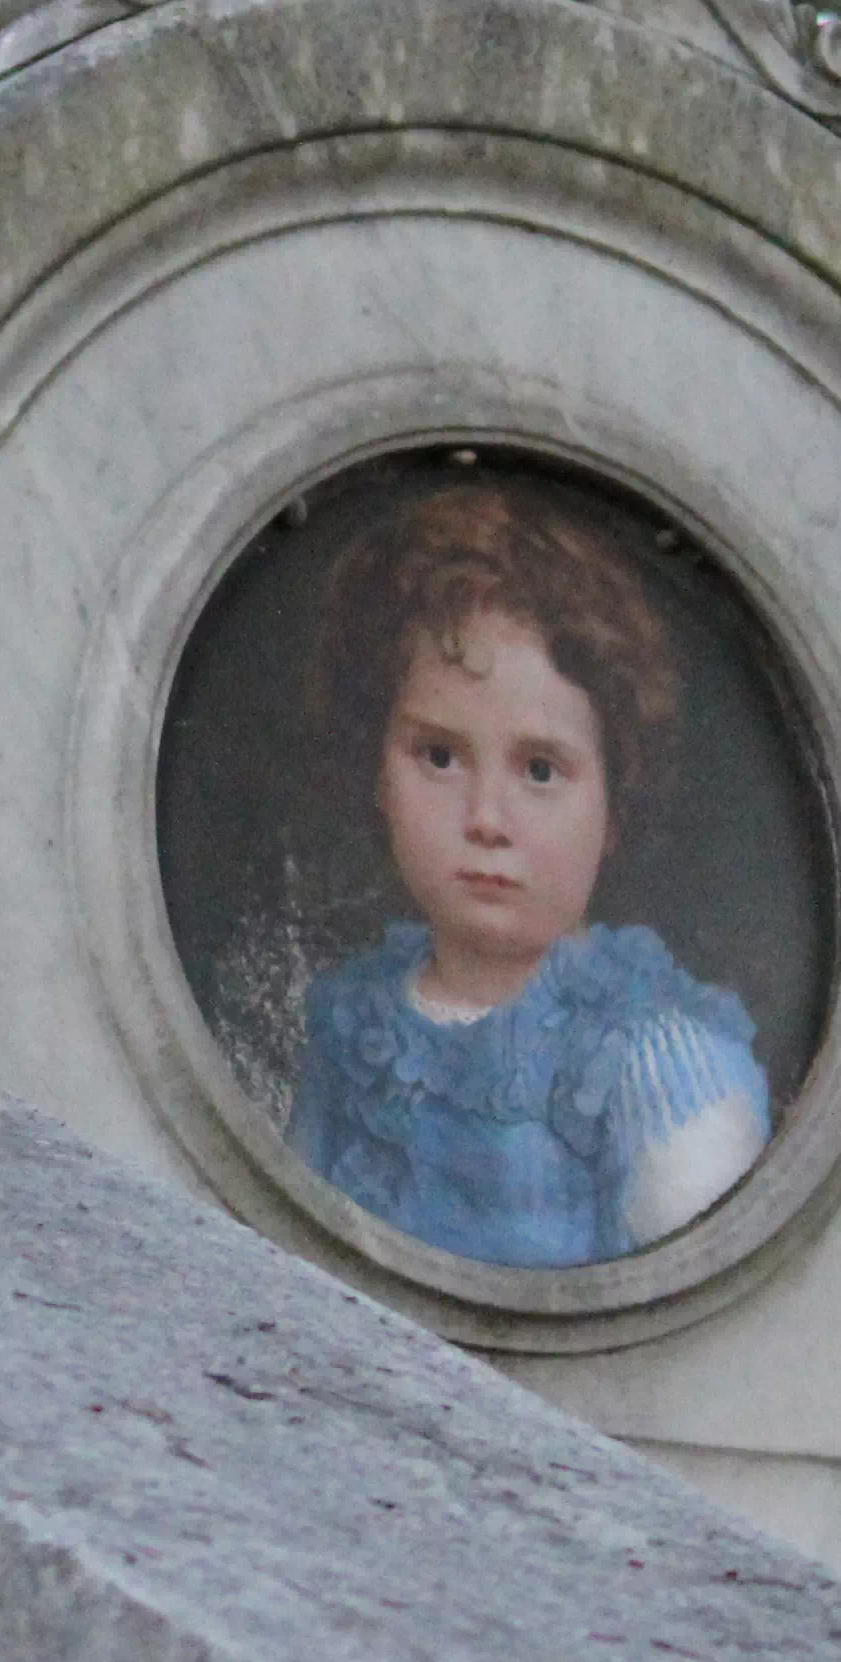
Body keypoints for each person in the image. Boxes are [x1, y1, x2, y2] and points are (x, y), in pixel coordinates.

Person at [287, 478, 769, 1266]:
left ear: (615, 804)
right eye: (439, 757)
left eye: (540, 770)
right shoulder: (354, 1030)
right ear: (377, 771)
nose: (485, 818)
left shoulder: (653, 1058)